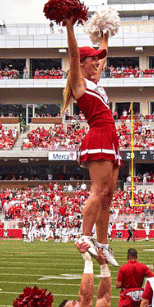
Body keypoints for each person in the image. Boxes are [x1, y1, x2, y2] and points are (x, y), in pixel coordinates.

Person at [62, 19, 119, 267]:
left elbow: (104, 54)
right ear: (81, 64)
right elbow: (74, 55)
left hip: (111, 137)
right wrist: (69, 27)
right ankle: (84, 237)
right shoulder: (80, 84)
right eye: (92, 59)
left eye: (98, 59)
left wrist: (105, 33)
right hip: (98, 134)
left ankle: (103, 244)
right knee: (98, 191)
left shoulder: (95, 81)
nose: (97, 62)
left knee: (108, 195)